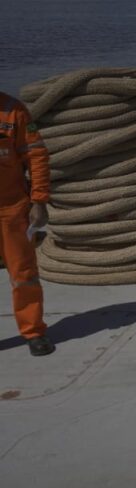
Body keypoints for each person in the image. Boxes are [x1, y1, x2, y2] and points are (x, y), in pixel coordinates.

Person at [0, 92, 54, 357]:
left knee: (24, 275)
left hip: (12, 210)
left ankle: (33, 331)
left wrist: (39, 200)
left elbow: (37, 156)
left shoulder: (13, 111)